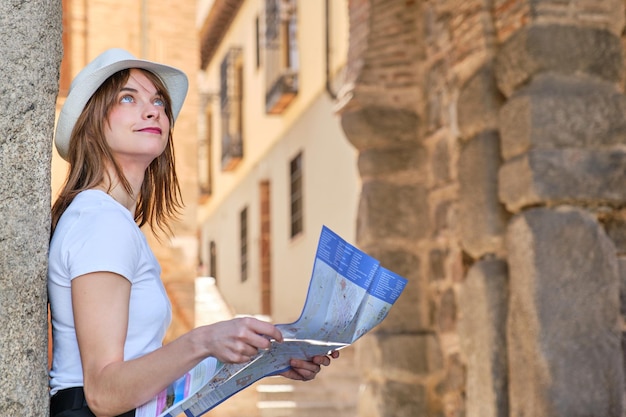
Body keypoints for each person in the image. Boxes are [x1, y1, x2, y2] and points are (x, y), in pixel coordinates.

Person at [48, 48, 338, 417]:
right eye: (127, 98)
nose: (153, 110)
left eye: (158, 101)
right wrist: (203, 340)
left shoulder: (107, 220)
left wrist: (267, 358)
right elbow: (104, 393)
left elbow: (138, 377)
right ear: (91, 124)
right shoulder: (100, 221)